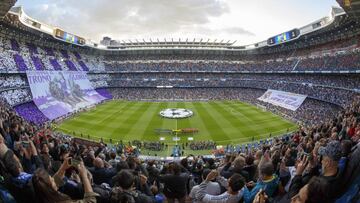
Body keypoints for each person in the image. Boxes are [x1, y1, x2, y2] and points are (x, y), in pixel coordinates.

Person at [32, 157, 98, 203]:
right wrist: (84, 176)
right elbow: (91, 200)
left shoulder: (43, 195)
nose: (53, 179)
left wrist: (63, 168)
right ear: (49, 189)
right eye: (51, 180)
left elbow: (55, 182)